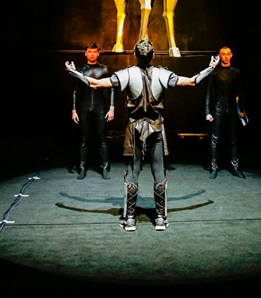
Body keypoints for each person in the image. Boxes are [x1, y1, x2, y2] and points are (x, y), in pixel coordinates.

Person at [66, 38, 217, 231]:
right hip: (155, 127)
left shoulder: (127, 74)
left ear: (135, 55)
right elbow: (191, 81)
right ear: (153, 55)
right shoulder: (162, 74)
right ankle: (160, 218)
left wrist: (74, 72)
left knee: (133, 172)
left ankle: (130, 219)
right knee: (158, 171)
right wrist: (210, 68)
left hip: (135, 128)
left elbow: (95, 83)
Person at [71, 42, 115, 179]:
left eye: (94, 51)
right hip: (84, 108)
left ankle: (105, 167)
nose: (92, 54)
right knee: (84, 138)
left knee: (102, 138)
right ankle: (82, 167)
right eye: (89, 51)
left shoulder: (104, 69)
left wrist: (112, 108)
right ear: (86, 53)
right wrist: (74, 110)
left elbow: (112, 88)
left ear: (98, 53)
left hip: (99, 107)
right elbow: (75, 91)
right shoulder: (80, 70)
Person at [205, 46, 247, 178]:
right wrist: (207, 112)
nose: (226, 56)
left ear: (231, 55)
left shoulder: (236, 72)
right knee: (215, 139)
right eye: (223, 54)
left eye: (228, 54)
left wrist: (242, 110)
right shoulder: (214, 73)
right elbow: (209, 93)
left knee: (233, 139)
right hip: (218, 108)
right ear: (219, 56)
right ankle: (214, 168)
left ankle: (235, 167)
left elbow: (240, 93)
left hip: (232, 109)